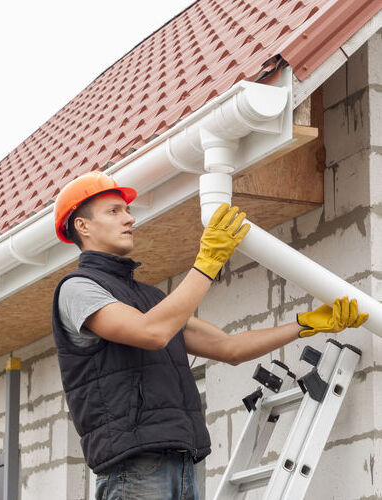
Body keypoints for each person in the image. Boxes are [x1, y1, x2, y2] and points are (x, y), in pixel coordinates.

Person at [51, 172, 368, 500]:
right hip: (135, 466)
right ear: (82, 226)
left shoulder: (151, 299)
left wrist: (305, 324)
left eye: (127, 210)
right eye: (114, 211)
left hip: (183, 461)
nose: (129, 218)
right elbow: (152, 333)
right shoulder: (78, 289)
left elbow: (227, 347)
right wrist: (207, 262)